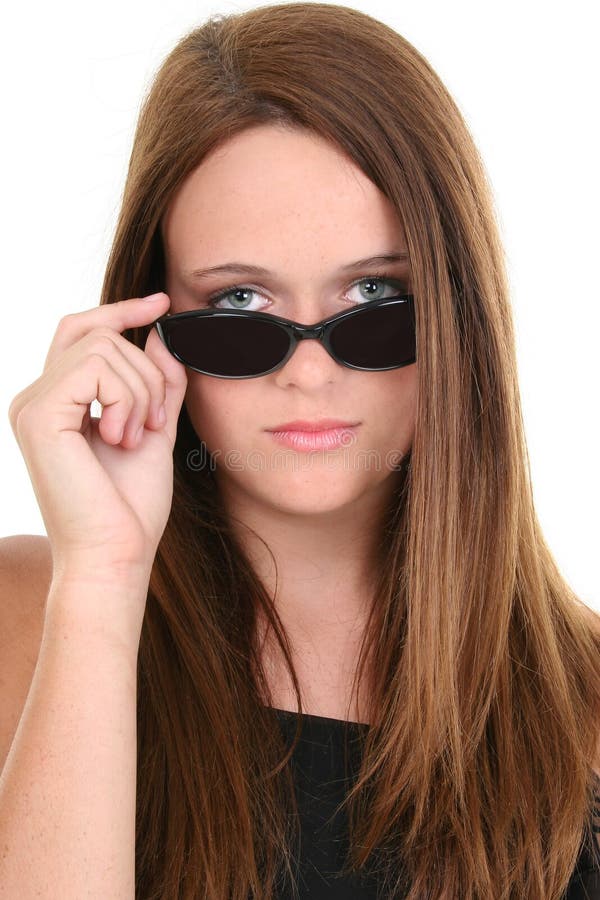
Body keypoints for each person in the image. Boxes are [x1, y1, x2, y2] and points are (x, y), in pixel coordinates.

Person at [0, 2, 599, 898]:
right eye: (241, 304)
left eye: (373, 292)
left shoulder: (582, 705)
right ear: (148, 322)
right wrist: (101, 586)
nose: (311, 375)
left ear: (458, 317)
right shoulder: (30, 621)